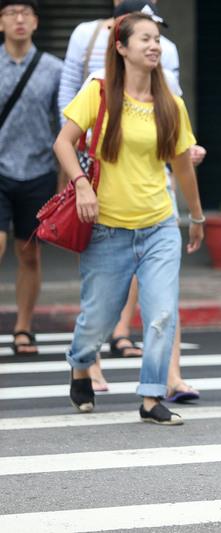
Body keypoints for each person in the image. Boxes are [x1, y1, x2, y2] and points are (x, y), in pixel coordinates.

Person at [53, 12, 205, 425]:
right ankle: (81, 362)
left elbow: (182, 166)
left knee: (160, 314)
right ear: (121, 47)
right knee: (97, 319)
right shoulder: (98, 92)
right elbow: (63, 143)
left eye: (157, 39)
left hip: (159, 224)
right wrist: (82, 185)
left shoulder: (171, 104)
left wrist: (196, 215)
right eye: (144, 39)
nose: (154, 46)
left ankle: (152, 396)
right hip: (107, 228)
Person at [0, 0, 63, 356]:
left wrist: (63, 182)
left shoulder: (54, 69)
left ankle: (23, 327)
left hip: (38, 172)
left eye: (26, 14)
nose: (19, 20)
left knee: (29, 254)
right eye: (11, 13)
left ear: (36, 23)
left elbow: (65, 128)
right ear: (1, 23)